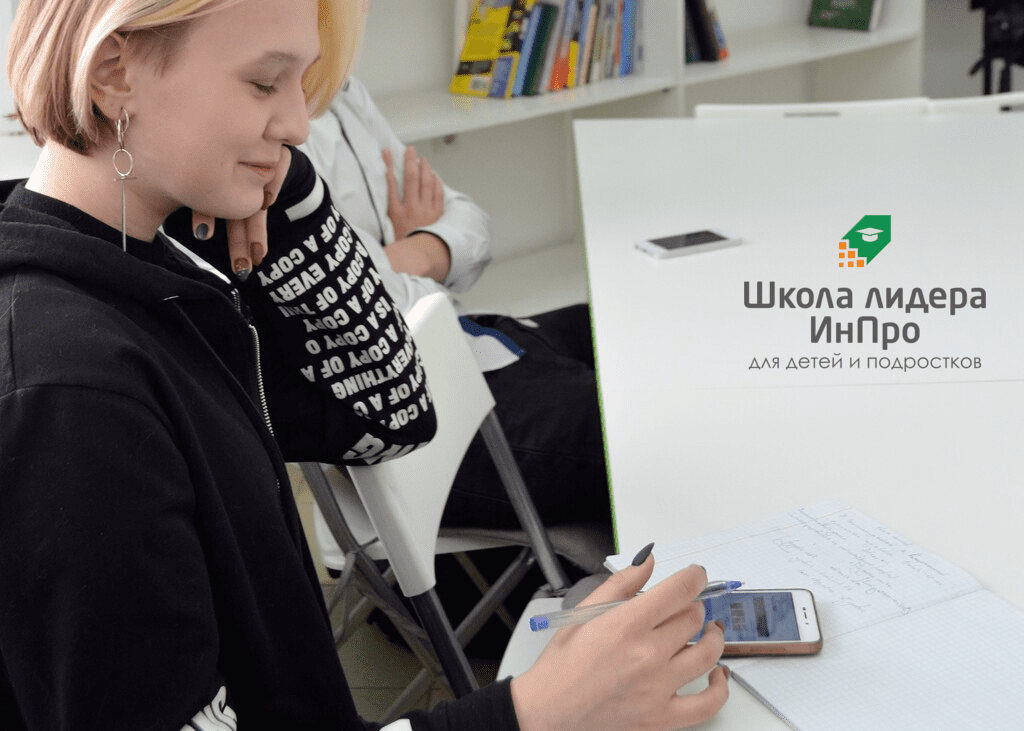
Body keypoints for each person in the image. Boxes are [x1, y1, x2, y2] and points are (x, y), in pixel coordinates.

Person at [0, 0, 728, 729]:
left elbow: (395, 410)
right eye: (264, 84)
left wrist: (290, 192)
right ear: (113, 73)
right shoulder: (72, 397)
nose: (297, 125)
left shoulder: (164, 263)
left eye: (303, 85)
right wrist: (529, 713)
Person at [300, 79, 610, 531]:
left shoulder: (343, 86)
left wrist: (409, 255)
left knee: (625, 326)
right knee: (643, 409)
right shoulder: (273, 141)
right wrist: (422, 251)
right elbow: (356, 304)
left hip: (467, 343)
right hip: (421, 421)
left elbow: (471, 224)